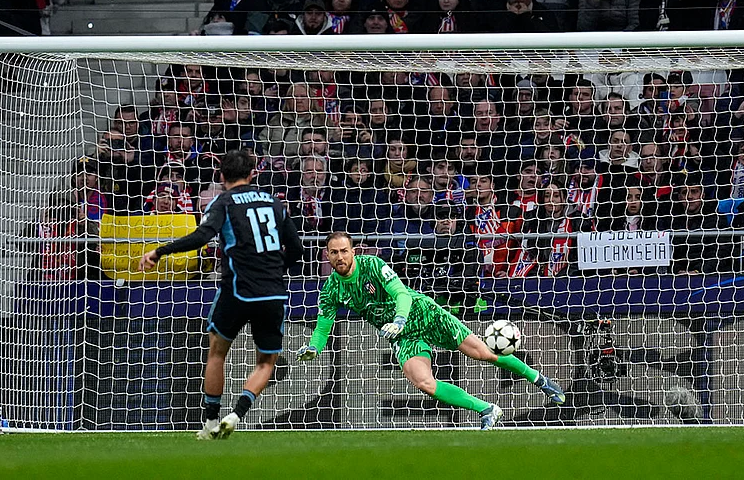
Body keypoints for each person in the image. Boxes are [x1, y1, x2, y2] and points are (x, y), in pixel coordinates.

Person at [296, 231, 565, 430]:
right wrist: (314, 347)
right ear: (327, 255)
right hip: (403, 335)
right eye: (334, 252)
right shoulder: (330, 289)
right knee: (424, 383)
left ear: (353, 251)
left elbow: (401, 293)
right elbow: (323, 326)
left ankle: (540, 380)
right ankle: (487, 409)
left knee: (483, 353)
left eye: (344, 251)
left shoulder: (372, 266)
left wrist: (400, 319)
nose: (340, 257)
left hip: (423, 314)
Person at [139, 150, 303, 440]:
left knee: (217, 353)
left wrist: (160, 251)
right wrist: (277, 270)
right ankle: (236, 414)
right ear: (252, 174)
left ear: (221, 175)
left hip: (236, 291)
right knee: (266, 362)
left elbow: (202, 236)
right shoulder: (274, 202)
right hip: (272, 293)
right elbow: (297, 249)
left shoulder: (224, 202)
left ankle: (211, 421)